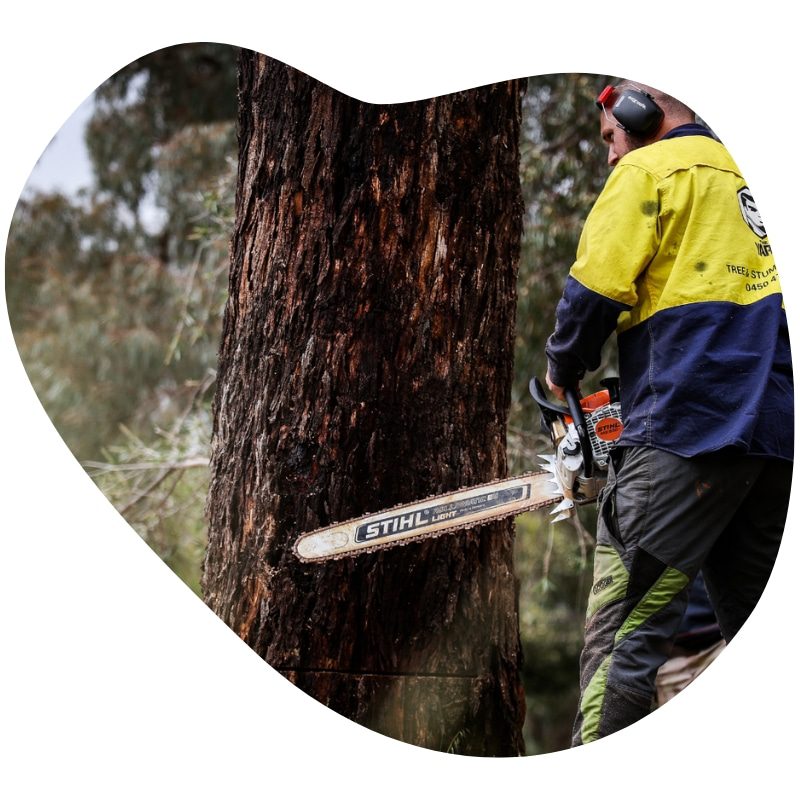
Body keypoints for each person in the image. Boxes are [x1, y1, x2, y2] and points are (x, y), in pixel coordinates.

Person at [544, 80, 793, 746]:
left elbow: (593, 293)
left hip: (685, 433)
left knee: (622, 645)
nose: (608, 158)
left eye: (608, 140)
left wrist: (560, 372)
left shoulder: (652, 170)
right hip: (775, 447)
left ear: (639, 111)